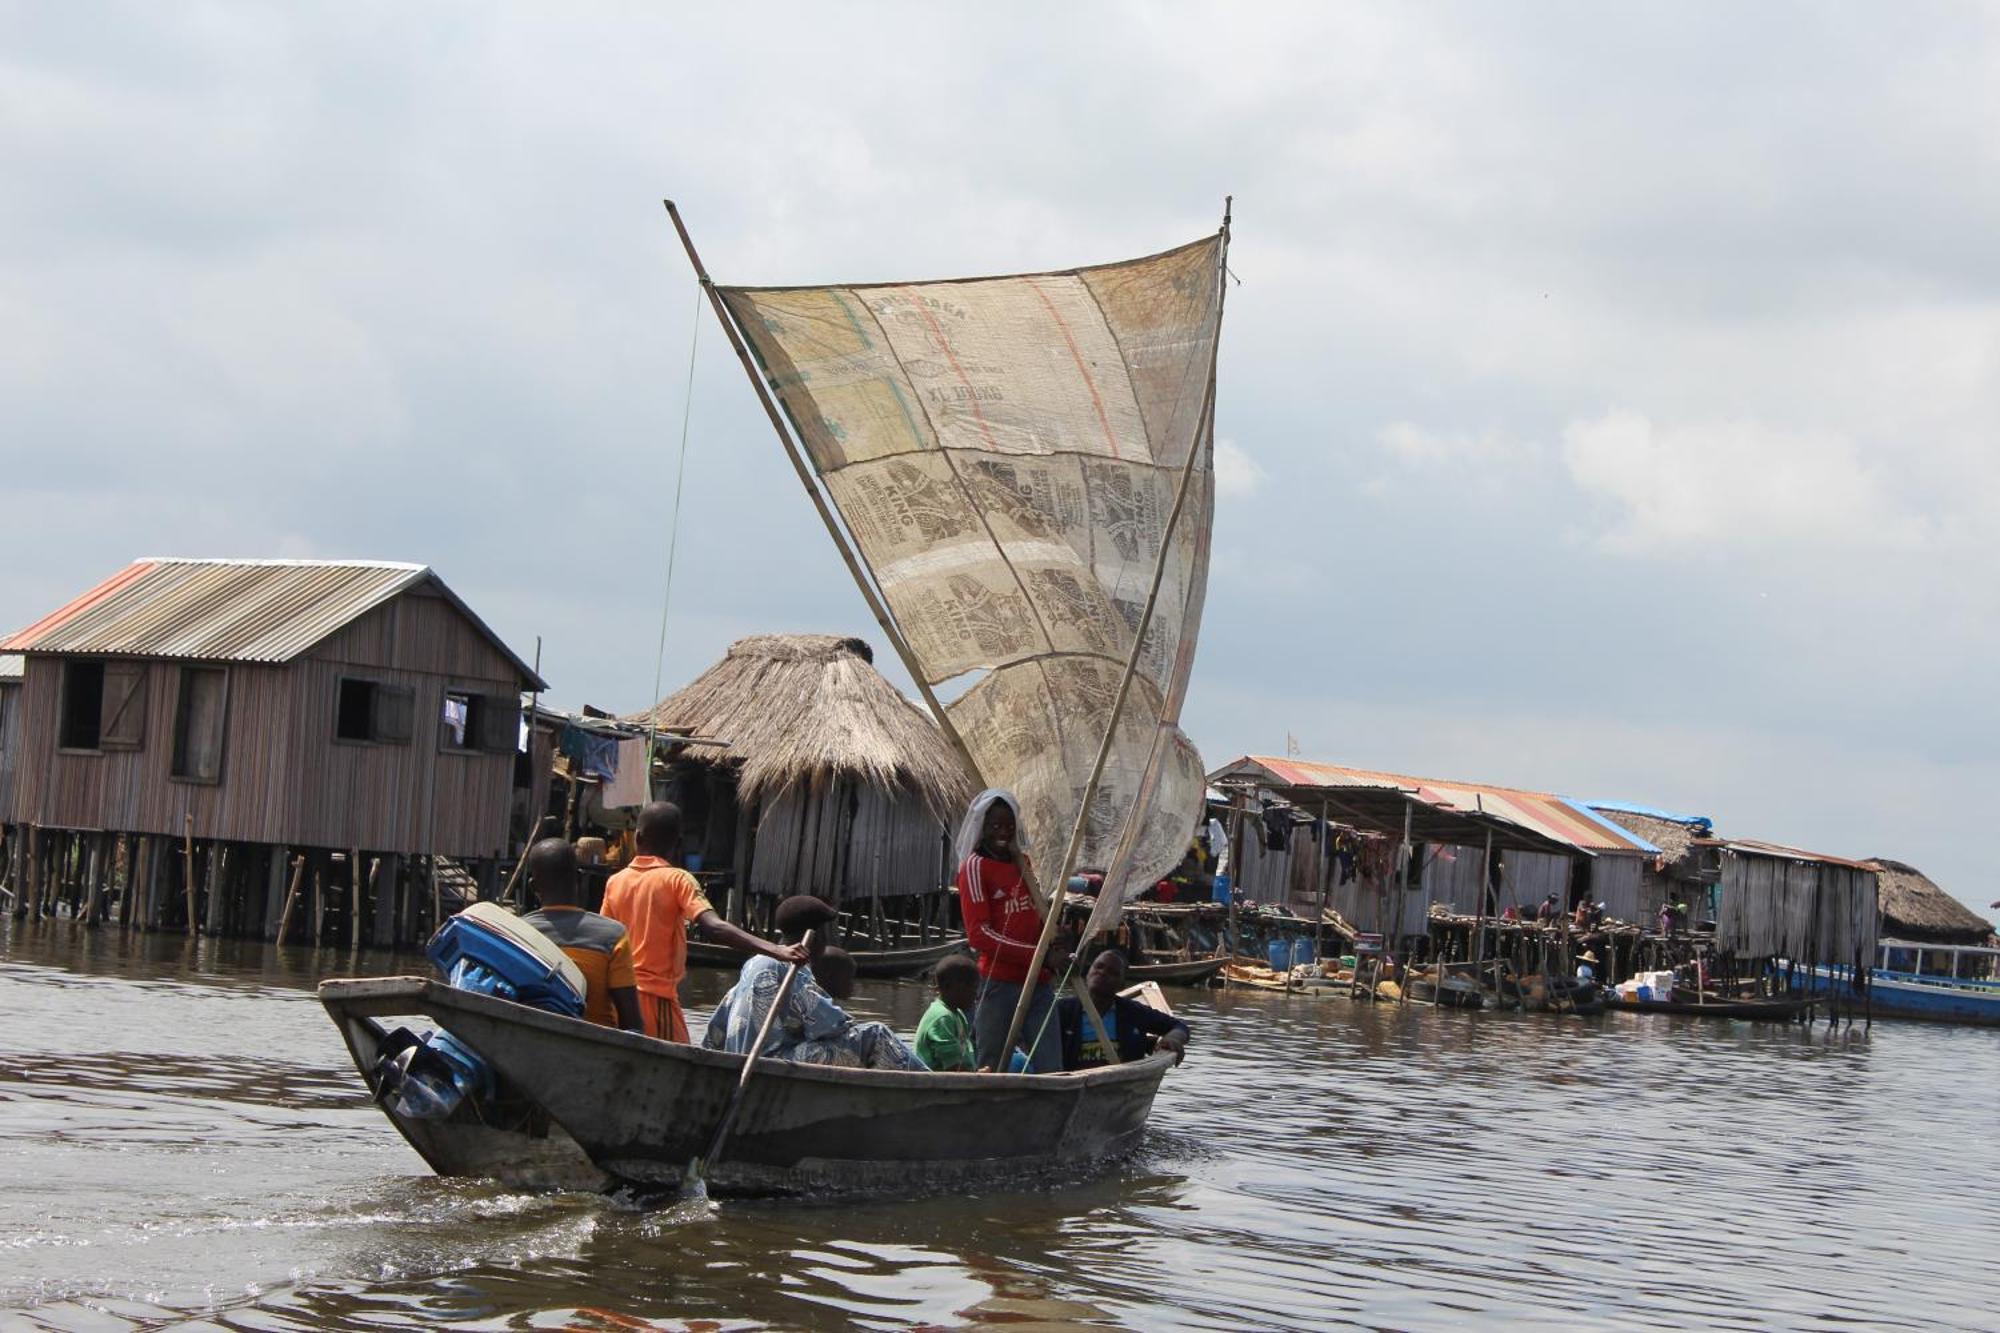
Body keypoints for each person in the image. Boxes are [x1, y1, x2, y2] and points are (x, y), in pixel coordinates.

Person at [601, 801, 805, 1042]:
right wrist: (775, 949)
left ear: (638, 838)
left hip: (619, 1000)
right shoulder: (678, 879)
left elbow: (606, 941)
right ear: (678, 844)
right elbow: (714, 927)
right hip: (656, 1000)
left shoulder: (615, 881)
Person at [702, 895, 927, 1070]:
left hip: (740, 1059)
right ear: (816, 935)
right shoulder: (792, 967)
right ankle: (931, 1084)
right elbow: (830, 1025)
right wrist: (850, 1025)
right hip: (769, 1064)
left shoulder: (754, 963)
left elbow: (718, 1024)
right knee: (876, 1035)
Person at [954, 789, 1070, 1074]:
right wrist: (1040, 956)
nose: (1003, 833)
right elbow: (979, 935)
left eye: (1009, 826)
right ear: (983, 827)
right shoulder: (975, 867)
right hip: (998, 983)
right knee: (990, 1066)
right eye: (995, 826)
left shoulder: (1023, 863)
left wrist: (1055, 937)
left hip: (1038, 984)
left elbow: (1034, 912)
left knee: (1051, 1067)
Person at [518, 837, 644, 1032]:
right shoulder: (613, 935)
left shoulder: (518, 933)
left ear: (533, 887)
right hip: (599, 1051)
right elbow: (632, 1024)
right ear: (578, 877)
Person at [1054, 950, 1190, 1072]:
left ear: (1121, 984)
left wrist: (1172, 1039)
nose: (1102, 973)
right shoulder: (1063, 1010)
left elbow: (1179, 1026)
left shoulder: (1133, 1012)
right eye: (1098, 967)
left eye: (1112, 972)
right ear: (1088, 973)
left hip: (1120, 1087)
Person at [913, 953, 981, 1072]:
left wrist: (976, 1073)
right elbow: (952, 1066)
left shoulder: (958, 1014)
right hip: (935, 1083)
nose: (976, 995)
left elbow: (962, 1056)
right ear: (955, 987)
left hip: (954, 1078)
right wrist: (975, 1077)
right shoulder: (943, 1017)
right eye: (973, 988)